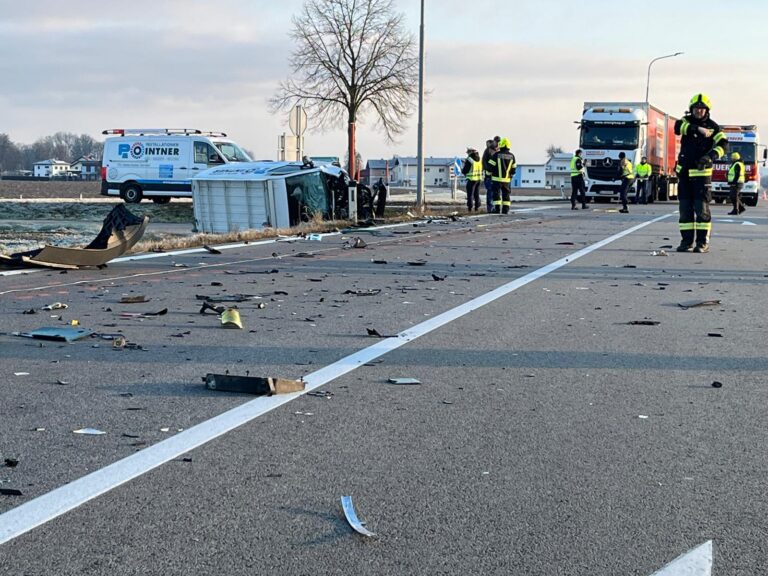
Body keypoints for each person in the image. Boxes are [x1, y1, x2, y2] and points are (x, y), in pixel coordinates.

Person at [674, 93, 728, 253]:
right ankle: (686, 242)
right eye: (696, 108)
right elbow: (677, 128)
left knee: (702, 210)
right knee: (685, 210)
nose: (699, 111)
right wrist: (697, 128)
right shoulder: (685, 122)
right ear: (691, 109)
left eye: (702, 108)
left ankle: (702, 243)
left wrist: (710, 156)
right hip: (684, 175)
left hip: (701, 175)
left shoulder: (714, 127)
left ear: (707, 110)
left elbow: (724, 144)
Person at [487, 137, 516, 214]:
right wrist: (510, 175)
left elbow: (490, 166)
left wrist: (488, 174)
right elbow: (513, 169)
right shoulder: (512, 156)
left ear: (501, 145)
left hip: (496, 179)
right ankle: (505, 210)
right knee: (506, 194)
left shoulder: (496, 155)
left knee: (496, 194)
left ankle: (497, 209)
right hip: (506, 180)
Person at [481, 139, 498, 213]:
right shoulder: (496, 151)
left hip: (489, 175)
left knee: (490, 192)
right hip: (495, 175)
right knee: (494, 192)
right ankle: (493, 208)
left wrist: (486, 170)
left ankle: (490, 208)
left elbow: (484, 162)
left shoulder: (488, 151)